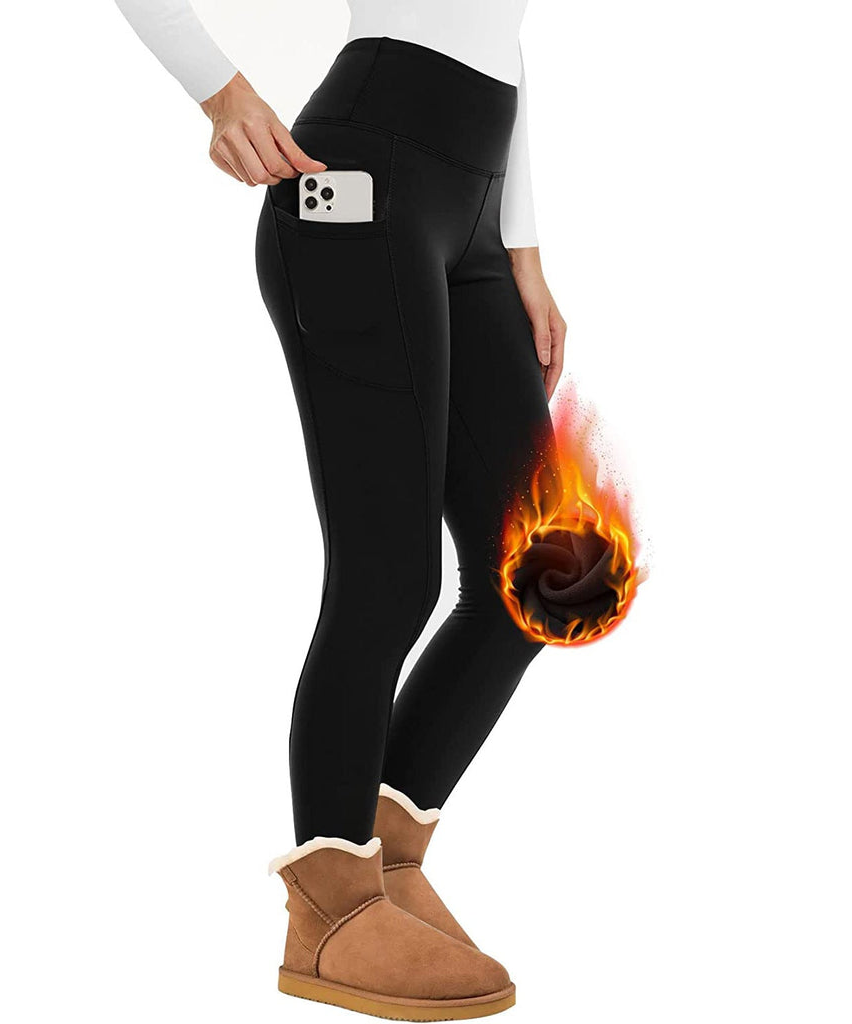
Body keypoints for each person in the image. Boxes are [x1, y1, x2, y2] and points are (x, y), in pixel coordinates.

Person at [115, 2, 568, 1017]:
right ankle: (328, 909)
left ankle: (385, 870)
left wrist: (524, 248)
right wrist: (217, 90)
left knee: (538, 574)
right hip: (362, 185)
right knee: (388, 578)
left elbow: (500, 30)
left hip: (474, 205)